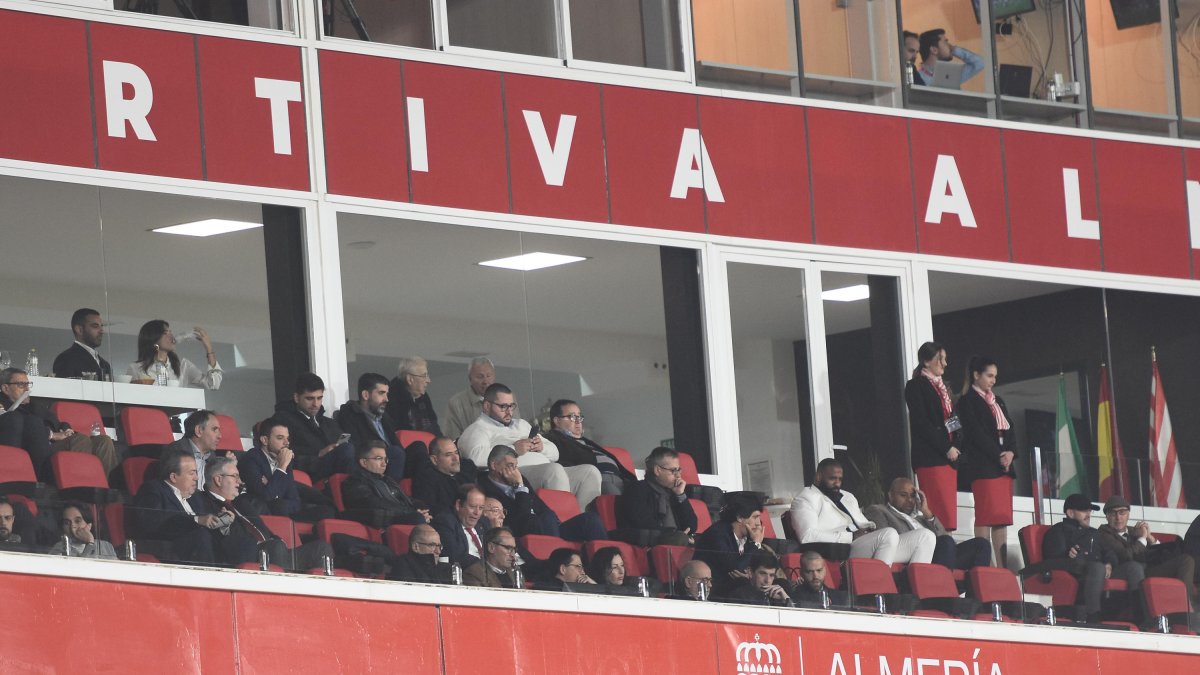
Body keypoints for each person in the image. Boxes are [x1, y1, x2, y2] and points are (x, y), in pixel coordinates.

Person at [459, 383, 600, 510]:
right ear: (487, 406)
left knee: (589, 472)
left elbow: (555, 453)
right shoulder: (478, 429)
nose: (509, 411)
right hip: (514, 475)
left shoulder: (521, 424)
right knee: (554, 470)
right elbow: (475, 458)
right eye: (503, 406)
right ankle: (561, 526)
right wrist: (514, 450)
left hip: (548, 471)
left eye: (511, 406)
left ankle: (581, 522)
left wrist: (541, 447)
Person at [193, 455, 332, 570]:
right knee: (275, 547)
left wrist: (278, 540)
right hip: (242, 557)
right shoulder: (202, 501)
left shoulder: (242, 502)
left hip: (272, 553)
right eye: (234, 476)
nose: (239, 481)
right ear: (218, 479)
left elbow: (264, 531)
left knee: (321, 548)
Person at [0, 367, 119, 478]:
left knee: (104, 441)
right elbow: (26, 429)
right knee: (80, 440)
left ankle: (105, 489)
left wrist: (66, 429)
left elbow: (58, 422)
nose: (27, 389)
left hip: (57, 442)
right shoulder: (5, 409)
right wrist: (52, 435)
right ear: (6, 388)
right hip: (41, 451)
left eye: (28, 384)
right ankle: (80, 488)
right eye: (21, 385)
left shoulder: (35, 406)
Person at [955, 355, 1016, 567]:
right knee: (985, 516)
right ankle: (984, 565)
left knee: (1001, 518)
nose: (993, 380)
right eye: (989, 376)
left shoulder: (998, 401)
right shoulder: (967, 401)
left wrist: (1011, 453)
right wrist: (998, 455)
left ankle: (1003, 567)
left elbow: (1010, 429)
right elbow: (975, 434)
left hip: (1003, 467)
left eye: (995, 376)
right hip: (983, 466)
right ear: (976, 375)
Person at [479, 445, 607, 543]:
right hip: (524, 531)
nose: (514, 471)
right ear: (494, 465)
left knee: (590, 519)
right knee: (545, 518)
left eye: (516, 466)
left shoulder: (520, 478)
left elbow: (538, 504)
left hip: (548, 527)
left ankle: (607, 563)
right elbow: (521, 518)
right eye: (510, 465)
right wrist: (519, 487)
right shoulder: (484, 487)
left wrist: (555, 522)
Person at [790, 458, 902, 565]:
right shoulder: (805, 498)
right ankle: (880, 581)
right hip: (843, 549)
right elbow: (807, 536)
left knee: (919, 537)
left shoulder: (848, 496)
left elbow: (861, 522)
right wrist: (850, 536)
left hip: (865, 542)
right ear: (819, 477)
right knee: (889, 534)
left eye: (840, 479)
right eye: (832, 478)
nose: (837, 483)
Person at [864, 477, 991, 570]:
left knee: (982, 544)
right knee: (946, 542)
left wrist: (926, 511)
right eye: (903, 495)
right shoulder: (879, 510)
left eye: (913, 496)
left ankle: (975, 601)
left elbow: (944, 535)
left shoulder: (920, 518)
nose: (909, 500)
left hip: (941, 556)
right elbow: (884, 540)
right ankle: (941, 593)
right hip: (916, 553)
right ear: (890, 496)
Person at [904, 341, 961, 530]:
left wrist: (957, 443)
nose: (945, 363)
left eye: (945, 359)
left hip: (949, 458)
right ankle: (941, 552)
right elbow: (922, 423)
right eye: (940, 359)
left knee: (949, 515)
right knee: (938, 511)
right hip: (931, 457)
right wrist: (946, 447)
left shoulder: (943, 388)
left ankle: (948, 550)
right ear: (927, 362)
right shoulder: (915, 386)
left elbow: (951, 418)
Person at [1043, 494, 1124, 621]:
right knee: (1097, 567)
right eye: (1084, 511)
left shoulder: (1094, 532)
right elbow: (1052, 560)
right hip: (1078, 574)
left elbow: (1110, 553)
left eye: (1089, 511)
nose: (1088, 514)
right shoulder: (1058, 531)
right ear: (1070, 513)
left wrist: (1109, 564)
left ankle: (1139, 618)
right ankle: (1093, 616)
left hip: (1101, 572)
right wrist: (1068, 556)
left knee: (1133, 568)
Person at [1097, 495, 1195, 600]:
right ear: (1107, 516)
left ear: (1128, 515)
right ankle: (1142, 611)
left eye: (1122, 512)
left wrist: (1150, 538)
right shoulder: (1103, 532)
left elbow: (1158, 554)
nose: (1118, 517)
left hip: (1146, 569)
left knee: (1186, 560)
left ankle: (1187, 606)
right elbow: (1125, 556)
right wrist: (1142, 538)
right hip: (1121, 570)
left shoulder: (1133, 531)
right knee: (1134, 567)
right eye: (1113, 513)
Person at [238, 417, 335, 522]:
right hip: (266, 514)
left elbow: (294, 499)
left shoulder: (285, 458)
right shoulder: (251, 459)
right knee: (279, 505)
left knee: (327, 511)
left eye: (287, 438)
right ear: (265, 440)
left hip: (286, 511)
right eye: (280, 438)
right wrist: (281, 467)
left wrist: (271, 484)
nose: (286, 443)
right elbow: (265, 498)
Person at [131, 449, 218, 564]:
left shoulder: (196, 497)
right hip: (169, 550)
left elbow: (206, 524)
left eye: (196, 473)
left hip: (198, 550)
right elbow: (154, 522)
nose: (196, 478)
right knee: (201, 536)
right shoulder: (153, 490)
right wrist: (196, 520)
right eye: (191, 473)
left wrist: (220, 522)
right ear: (173, 477)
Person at [545, 399, 637, 495]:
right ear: (557, 421)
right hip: (597, 482)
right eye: (572, 417)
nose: (578, 421)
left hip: (620, 480)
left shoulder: (587, 442)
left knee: (642, 490)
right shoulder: (553, 440)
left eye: (579, 416)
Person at [272, 373, 351, 480]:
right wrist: (319, 453)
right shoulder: (283, 420)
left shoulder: (329, 423)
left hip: (334, 470)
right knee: (347, 450)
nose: (316, 404)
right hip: (309, 470)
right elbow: (281, 452)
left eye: (319, 398)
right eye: (310, 398)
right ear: (296, 398)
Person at [616, 446, 697, 546]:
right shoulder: (637, 489)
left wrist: (680, 495)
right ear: (657, 470)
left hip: (677, 542)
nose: (678, 476)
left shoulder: (674, 493)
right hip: (650, 545)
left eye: (679, 470)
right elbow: (643, 523)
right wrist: (675, 535)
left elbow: (691, 526)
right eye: (673, 471)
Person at [334, 372, 406, 481]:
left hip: (393, 463)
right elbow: (344, 444)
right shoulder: (348, 414)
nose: (386, 399)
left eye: (387, 394)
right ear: (366, 395)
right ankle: (391, 492)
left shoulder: (385, 418)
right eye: (381, 393)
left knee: (418, 449)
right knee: (396, 452)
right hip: (370, 464)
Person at [341, 441, 429, 526]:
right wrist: (410, 512)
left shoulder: (386, 479)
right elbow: (373, 503)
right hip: (382, 520)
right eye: (379, 459)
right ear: (364, 462)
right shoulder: (355, 480)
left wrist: (421, 508)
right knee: (417, 519)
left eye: (385, 459)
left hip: (403, 514)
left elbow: (405, 498)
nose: (384, 464)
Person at [694, 492, 766, 595]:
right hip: (713, 591)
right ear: (740, 517)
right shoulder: (718, 535)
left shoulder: (748, 537)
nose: (759, 523)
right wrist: (755, 544)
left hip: (734, 589)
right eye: (755, 517)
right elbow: (735, 568)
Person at [126, 320, 222, 389]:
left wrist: (209, 348)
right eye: (165, 333)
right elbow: (131, 397)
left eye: (171, 332)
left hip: (173, 416)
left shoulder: (183, 367)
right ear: (153, 338)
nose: (171, 336)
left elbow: (213, 384)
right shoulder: (135, 368)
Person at [443, 357, 517, 440]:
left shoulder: (508, 397)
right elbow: (452, 437)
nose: (485, 381)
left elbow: (517, 428)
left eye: (489, 376)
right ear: (470, 379)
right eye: (480, 377)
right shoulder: (456, 403)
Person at [411, 436, 478, 517]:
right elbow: (433, 511)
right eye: (448, 455)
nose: (455, 458)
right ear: (434, 460)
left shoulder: (467, 471)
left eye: (456, 453)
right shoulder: (427, 480)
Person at [431, 484, 491, 567]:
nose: (477, 513)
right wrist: (486, 566)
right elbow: (455, 556)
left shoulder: (484, 523)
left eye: (481, 508)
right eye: (472, 506)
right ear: (458, 505)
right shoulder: (445, 522)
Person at [165, 409, 222, 491]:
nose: (220, 436)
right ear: (199, 430)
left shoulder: (212, 456)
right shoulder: (176, 452)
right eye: (214, 429)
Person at [386, 356, 442, 436]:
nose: (428, 380)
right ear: (410, 379)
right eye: (424, 376)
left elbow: (434, 427)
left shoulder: (423, 397)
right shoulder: (390, 398)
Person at [52, 308, 112, 380]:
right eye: (95, 326)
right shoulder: (66, 359)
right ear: (79, 330)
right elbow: (65, 389)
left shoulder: (105, 364)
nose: (101, 331)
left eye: (101, 326)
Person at [719, 550, 794, 607]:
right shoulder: (739, 594)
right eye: (762, 573)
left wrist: (786, 599)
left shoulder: (778, 594)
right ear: (750, 572)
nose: (767, 580)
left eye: (771, 575)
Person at [48, 501, 119, 559]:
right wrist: (90, 544)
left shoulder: (105, 545)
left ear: (89, 525)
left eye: (77, 521)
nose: (72, 526)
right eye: (67, 523)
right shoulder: (59, 548)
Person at [915, 29, 983, 87]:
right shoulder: (917, 79)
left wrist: (956, 50)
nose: (950, 45)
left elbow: (979, 63)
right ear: (934, 50)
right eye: (945, 42)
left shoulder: (950, 74)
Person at [387, 524, 453, 584]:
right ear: (415, 547)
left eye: (439, 546)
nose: (438, 551)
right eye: (432, 545)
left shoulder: (445, 569)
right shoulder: (402, 568)